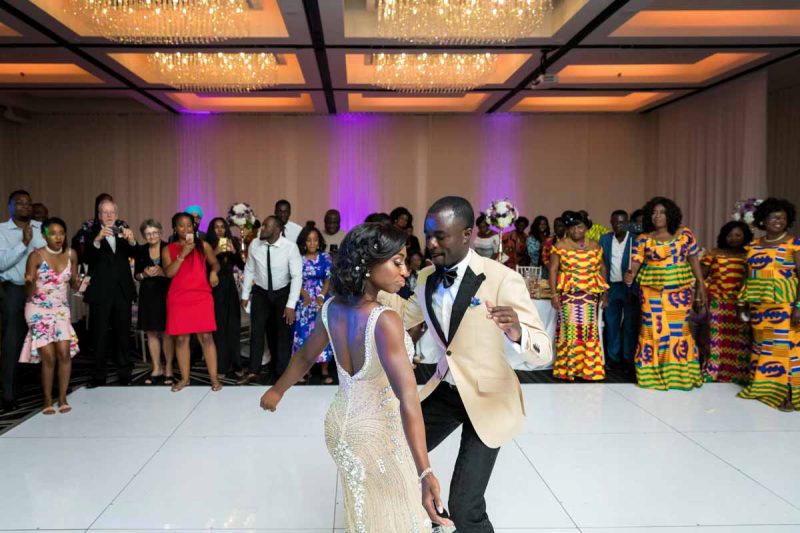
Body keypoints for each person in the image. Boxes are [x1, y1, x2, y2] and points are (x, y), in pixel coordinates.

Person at [259, 222, 451, 532]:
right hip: (377, 432)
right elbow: (408, 398)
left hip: (339, 428)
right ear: (368, 263)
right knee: (400, 515)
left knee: (365, 511)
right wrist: (425, 471)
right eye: (397, 262)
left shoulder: (331, 307)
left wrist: (277, 392)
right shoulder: (383, 319)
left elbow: (306, 356)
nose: (404, 271)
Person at [402, 196, 553, 530]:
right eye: (427, 235)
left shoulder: (501, 279)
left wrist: (517, 332)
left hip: (489, 397)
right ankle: (430, 517)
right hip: (446, 388)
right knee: (397, 452)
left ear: (467, 235)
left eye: (440, 235)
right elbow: (401, 316)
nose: (430, 243)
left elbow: (544, 351)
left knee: (465, 505)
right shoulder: (427, 277)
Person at [625, 197, 705, 391]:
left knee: (678, 331)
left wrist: (701, 286)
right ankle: (652, 374)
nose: (657, 216)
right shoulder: (643, 238)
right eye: (653, 212)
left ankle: (678, 376)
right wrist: (630, 274)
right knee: (653, 329)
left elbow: (694, 259)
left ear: (671, 214)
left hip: (679, 292)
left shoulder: (685, 234)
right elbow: (635, 262)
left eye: (661, 212)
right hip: (651, 291)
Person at [737, 198, 800, 411]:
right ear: (763, 220)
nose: (778, 221)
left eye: (782, 217)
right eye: (773, 217)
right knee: (762, 347)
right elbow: (748, 275)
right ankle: (764, 388)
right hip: (759, 305)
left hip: (784, 305)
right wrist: (744, 302)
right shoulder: (754, 245)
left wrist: (799, 307)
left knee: (784, 349)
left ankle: (786, 394)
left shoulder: (794, 243)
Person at [20, 218, 80, 414]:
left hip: (60, 308)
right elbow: (28, 292)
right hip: (37, 308)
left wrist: (78, 282)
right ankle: (47, 399)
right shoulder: (36, 256)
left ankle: (62, 397)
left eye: (61, 233)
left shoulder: (71, 254)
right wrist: (29, 282)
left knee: (64, 352)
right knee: (48, 356)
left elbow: (73, 284)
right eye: (53, 233)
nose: (58, 237)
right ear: (44, 235)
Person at [162, 212, 222, 392]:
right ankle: (185, 379)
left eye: (189, 225)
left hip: (201, 296)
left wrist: (213, 273)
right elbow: (169, 273)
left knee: (206, 337)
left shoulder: (203, 246)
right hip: (179, 297)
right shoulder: (168, 249)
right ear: (174, 228)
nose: (186, 228)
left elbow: (215, 263)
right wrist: (182, 254)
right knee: (181, 339)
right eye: (181, 225)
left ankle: (214, 378)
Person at [239, 216, 302, 385]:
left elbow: (297, 277)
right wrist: (245, 295)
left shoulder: (290, 248)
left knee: (282, 334)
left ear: (277, 230)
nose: (262, 228)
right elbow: (250, 269)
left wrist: (290, 305)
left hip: (282, 293)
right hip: (261, 293)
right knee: (257, 332)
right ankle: (254, 371)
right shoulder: (255, 245)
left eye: (266, 226)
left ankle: (281, 373)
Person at [83, 198, 138, 388]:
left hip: (122, 291)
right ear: (99, 215)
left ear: (116, 214)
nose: (108, 215)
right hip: (100, 292)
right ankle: (99, 374)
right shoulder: (89, 233)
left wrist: (132, 240)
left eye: (111, 212)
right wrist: (97, 239)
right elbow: (86, 257)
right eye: (104, 212)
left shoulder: (123, 232)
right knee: (99, 335)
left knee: (123, 333)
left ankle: (125, 372)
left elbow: (137, 255)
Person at [549, 211, 608, 381]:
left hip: (590, 295)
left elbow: (602, 268)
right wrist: (554, 294)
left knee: (589, 331)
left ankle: (589, 369)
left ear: (586, 228)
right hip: (569, 295)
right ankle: (570, 369)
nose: (576, 230)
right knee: (571, 330)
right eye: (572, 227)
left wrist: (605, 293)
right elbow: (553, 270)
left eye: (580, 226)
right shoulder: (560, 245)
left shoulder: (595, 245)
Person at [0, 190, 45, 412]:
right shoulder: (1, 231)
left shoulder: (40, 228)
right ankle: (8, 393)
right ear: (9, 206)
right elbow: (1, 263)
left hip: (41, 292)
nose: (24, 207)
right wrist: (23, 244)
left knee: (43, 339)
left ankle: (43, 388)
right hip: (15, 291)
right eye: (19, 203)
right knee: (13, 340)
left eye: (27, 203)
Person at [701, 221, 753, 384]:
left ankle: (739, 374)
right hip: (718, 303)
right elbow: (701, 276)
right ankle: (713, 372)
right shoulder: (714, 253)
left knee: (740, 341)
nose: (733, 238)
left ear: (745, 236)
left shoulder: (750, 254)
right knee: (717, 339)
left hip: (741, 305)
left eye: (738, 235)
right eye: (729, 235)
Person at [292, 223, 334, 384]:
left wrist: (321, 296)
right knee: (304, 335)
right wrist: (305, 296)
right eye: (308, 240)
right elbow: (296, 280)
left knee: (323, 333)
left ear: (319, 242)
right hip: (303, 300)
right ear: (303, 242)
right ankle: (305, 369)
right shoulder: (298, 259)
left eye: (315, 240)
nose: (312, 243)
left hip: (321, 299)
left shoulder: (325, 258)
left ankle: (324, 369)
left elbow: (328, 279)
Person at [134, 219, 174, 385]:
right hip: (148, 295)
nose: (151, 236)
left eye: (154, 232)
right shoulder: (141, 250)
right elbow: (136, 275)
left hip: (166, 293)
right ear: (144, 235)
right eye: (148, 233)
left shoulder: (168, 248)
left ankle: (169, 368)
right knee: (151, 332)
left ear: (160, 232)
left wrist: (162, 272)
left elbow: (175, 272)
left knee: (166, 332)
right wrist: (144, 274)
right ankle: (156, 367)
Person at [600, 210, 639, 373]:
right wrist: (604, 290)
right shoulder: (605, 239)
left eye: (622, 222)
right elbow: (601, 265)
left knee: (630, 324)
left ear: (628, 222)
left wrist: (633, 285)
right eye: (615, 222)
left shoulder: (635, 239)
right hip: (612, 286)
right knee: (612, 324)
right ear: (611, 222)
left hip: (629, 287)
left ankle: (628, 359)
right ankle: (613, 358)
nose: (618, 225)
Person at [206, 217, 244, 378]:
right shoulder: (207, 245)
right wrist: (216, 252)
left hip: (230, 287)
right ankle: (221, 366)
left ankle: (236, 363)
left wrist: (235, 253)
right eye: (216, 227)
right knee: (219, 327)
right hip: (214, 288)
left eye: (222, 227)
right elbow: (203, 266)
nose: (220, 230)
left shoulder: (232, 242)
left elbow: (242, 267)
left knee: (234, 326)